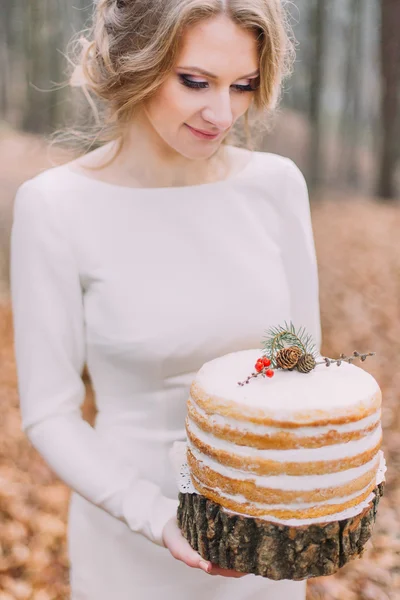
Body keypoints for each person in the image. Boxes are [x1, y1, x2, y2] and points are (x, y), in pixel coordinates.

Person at [10, 0, 322, 598]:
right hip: (128, 537)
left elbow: (302, 376)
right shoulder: (55, 207)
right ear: (135, 63)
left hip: (263, 539)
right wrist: (161, 519)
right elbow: (50, 414)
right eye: (196, 82)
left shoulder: (276, 186)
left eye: (244, 85)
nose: (222, 111)